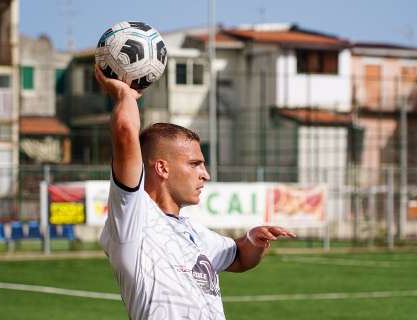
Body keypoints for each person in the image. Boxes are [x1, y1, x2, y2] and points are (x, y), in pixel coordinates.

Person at [96, 64, 296, 320]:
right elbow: (125, 132)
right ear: (162, 168)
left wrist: (252, 241)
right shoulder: (133, 218)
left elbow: (238, 258)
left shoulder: (194, 232)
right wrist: (126, 95)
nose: (205, 174)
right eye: (195, 164)